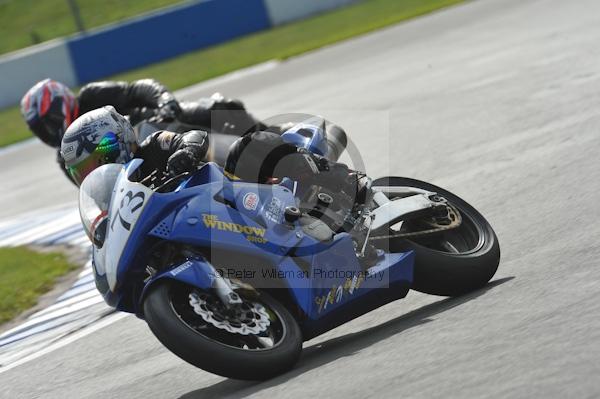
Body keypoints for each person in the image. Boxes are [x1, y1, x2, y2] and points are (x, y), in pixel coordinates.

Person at [21, 78, 258, 182]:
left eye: (48, 122)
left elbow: (135, 90)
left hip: (152, 126)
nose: (48, 131)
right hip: (134, 170)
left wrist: (165, 103)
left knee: (219, 108)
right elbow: (95, 191)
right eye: (40, 129)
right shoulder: (67, 157)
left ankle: (266, 140)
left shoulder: (91, 95)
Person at [61, 106, 208, 186]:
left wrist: (188, 151)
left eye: (95, 165)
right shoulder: (107, 202)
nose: (91, 176)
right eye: (82, 172)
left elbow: (194, 136)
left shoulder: (154, 146)